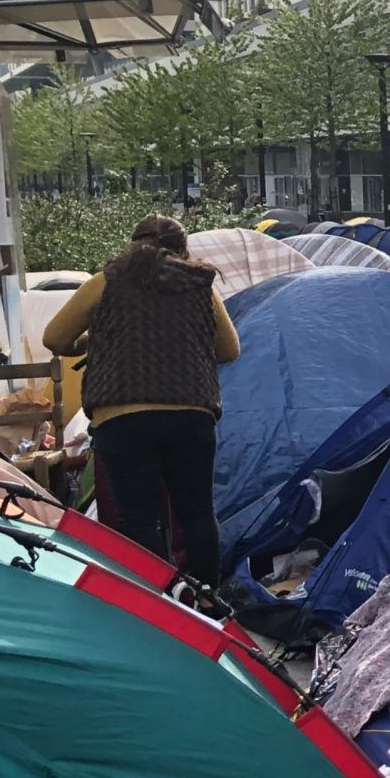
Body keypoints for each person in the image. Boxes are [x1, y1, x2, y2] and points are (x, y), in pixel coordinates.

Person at [41, 215, 238, 582]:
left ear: (132, 245)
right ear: (183, 249)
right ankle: (211, 603)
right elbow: (229, 350)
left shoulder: (106, 282)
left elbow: (55, 338)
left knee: (139, 518)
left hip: (122, 417)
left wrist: (95, 340)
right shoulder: (199, 286)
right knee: (197, 513)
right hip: (190, 414)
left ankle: (160, 601)